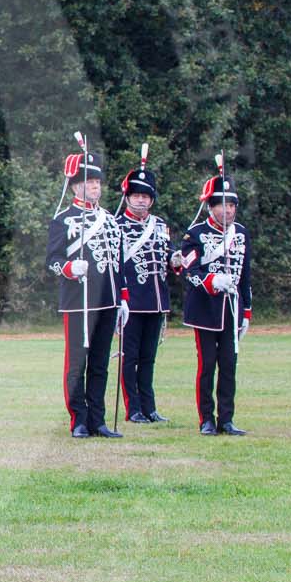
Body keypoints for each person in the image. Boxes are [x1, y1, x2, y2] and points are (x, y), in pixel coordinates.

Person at [47, 137, 121, 438]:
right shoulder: (62, 220)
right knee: (77, 364)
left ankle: (97, 419)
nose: (95, 187)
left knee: (101, 364)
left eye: (97, 182)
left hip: (107, 301)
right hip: (78, 301)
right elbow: (52, 260)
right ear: (76, 186)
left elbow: (120, 262)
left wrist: (123, 299)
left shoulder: (109, 220)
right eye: (89, 182)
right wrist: (68, 268)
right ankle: (78, 419)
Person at [177, 160, 253, 435]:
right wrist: (212, 281)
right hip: (205, 310)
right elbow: (190, 271)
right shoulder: (195, 234)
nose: (228, 210)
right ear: (211, 206)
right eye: (223, 204)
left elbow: (245, 276)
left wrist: (246, 311)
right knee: (207, 365)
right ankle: (206, 419)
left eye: (232, 205)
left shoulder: (241, 234)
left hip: (232, 309)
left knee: (229, 366)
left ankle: (227, 419)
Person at [114, 146, 172, 424]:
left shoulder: (160, 225)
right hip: (131, 301)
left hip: (156, 300)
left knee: (148, 358)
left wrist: (177, 259)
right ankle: (133, 408)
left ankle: (150, 407)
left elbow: (166, 259)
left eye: (145, 196)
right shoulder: (116, 225)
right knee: (130, 356)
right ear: (127, 197)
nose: (140, 201)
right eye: (136, 195)